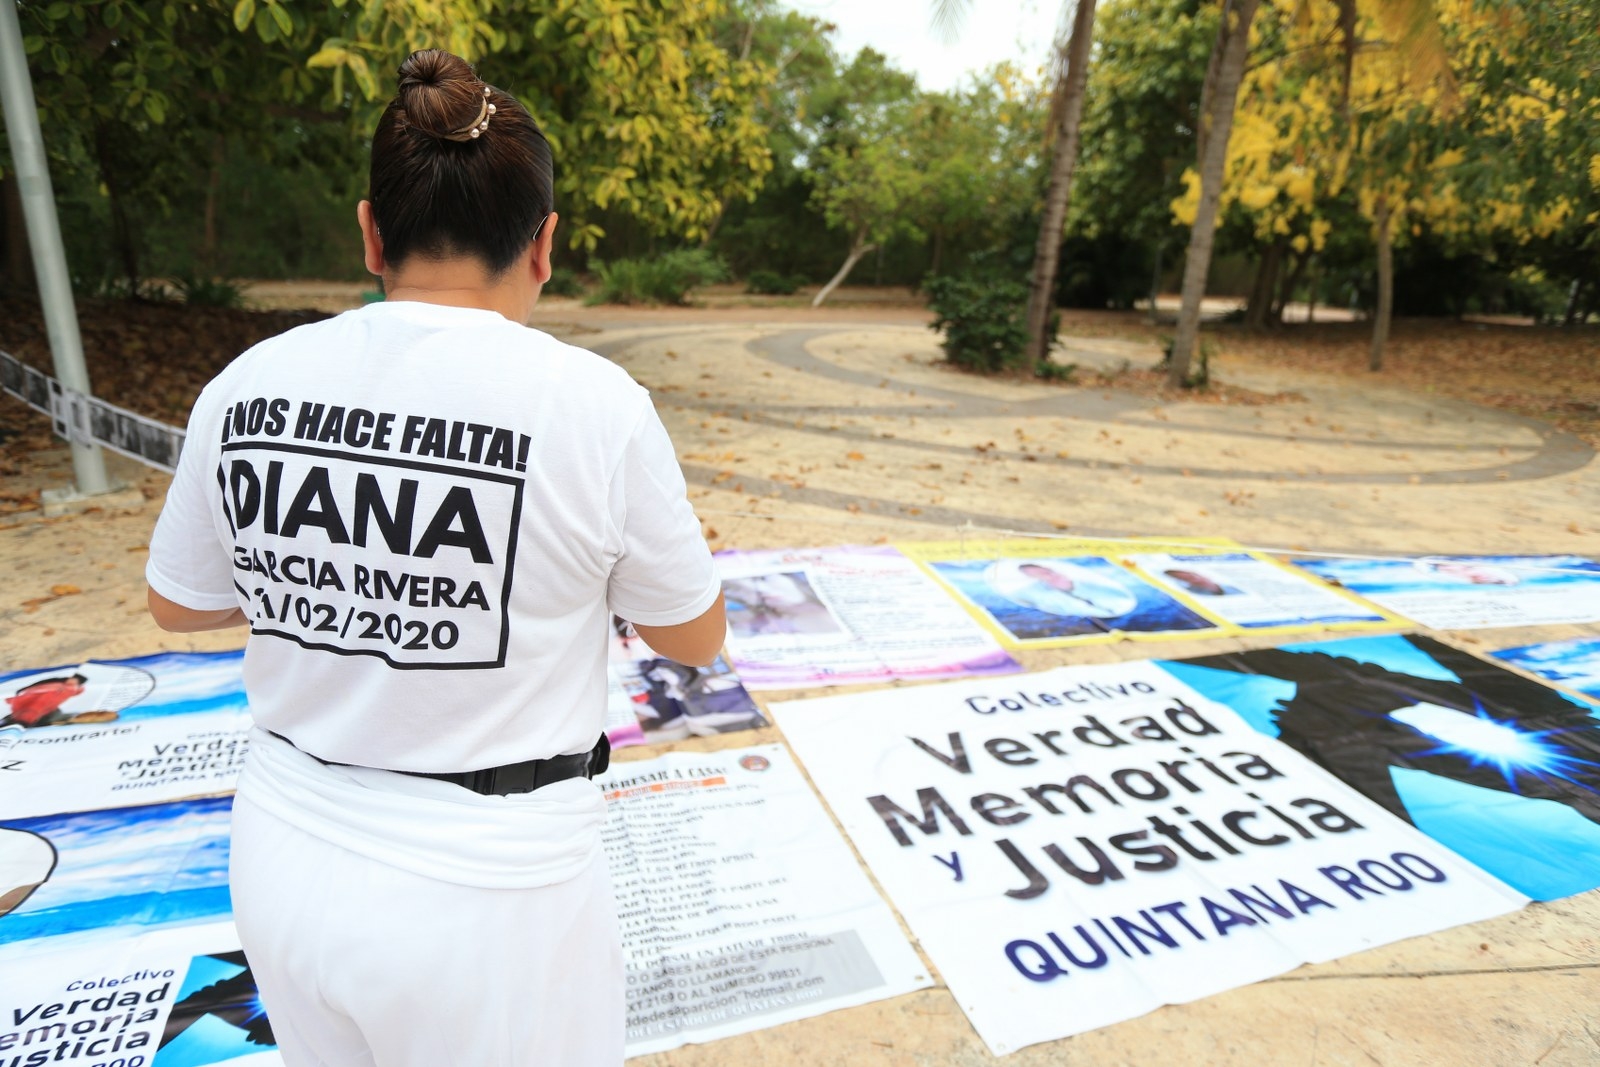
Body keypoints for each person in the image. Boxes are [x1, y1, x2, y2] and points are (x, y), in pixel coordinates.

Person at [145, 49, 725, 1067]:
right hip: (495, 896)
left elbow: (179, 604)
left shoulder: (247, 383)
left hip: (281, 847)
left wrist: (333, 578)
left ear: (372, 231)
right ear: (544, 243)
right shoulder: (591, 406)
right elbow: (694, 636)